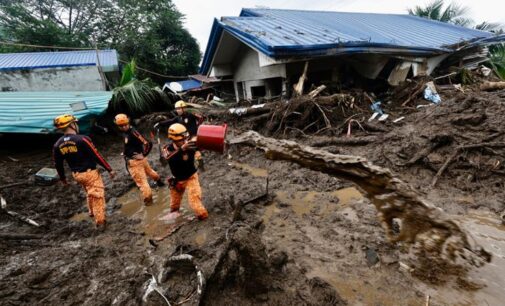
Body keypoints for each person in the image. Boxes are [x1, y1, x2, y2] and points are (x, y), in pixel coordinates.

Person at [52, 114, 115, 229]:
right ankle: (100, 222)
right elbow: (96, 155)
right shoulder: (82, 139)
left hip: (77, 175)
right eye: (75, 123)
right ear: (72, 125)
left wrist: (63, 178)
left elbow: (58, 164)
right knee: (98, 195)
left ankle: (91, 212)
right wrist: (109, 169)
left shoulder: (58, 144)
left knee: (89, 191)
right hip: (89, 173)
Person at [114, 114, 164, 205]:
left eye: (125, 124)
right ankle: (160, 183)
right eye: (121, 126)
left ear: (128, 122)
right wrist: (125, 152)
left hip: (135, 162)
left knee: (143, 184)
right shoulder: (126, 133)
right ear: (118, 126)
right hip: (139, 160)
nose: (124, 127)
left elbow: (148, 143)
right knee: (150, 172)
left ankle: (149, 204)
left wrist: (144, 154)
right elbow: (129, 144)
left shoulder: (133, 132)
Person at [161, 123, 208, 220]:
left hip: (191, 177)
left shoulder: (191, 144)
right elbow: (166, 160)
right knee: (174, 206)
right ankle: (176, 218)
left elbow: (205, 144)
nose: (184, 141)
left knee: (195, 202)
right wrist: (181, 150)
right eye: (181, 140)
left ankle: (204, 218)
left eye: (185, 138)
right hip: (177, 180)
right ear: (173, 139)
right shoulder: (167, 149)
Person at [154, 100, 205, 169]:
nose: (177, 111)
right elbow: (170, 121)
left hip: (193, 136)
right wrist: (160, 124)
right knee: (181, 148)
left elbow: (201, 118)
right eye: (177, 109)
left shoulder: (190, 114)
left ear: (183, 108)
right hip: (185, 137)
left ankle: (199, 162)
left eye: (179, 109)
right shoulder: (178, 118)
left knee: (194, 148)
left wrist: (199, 127)